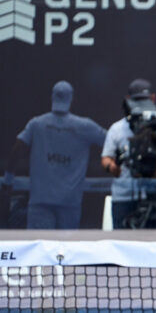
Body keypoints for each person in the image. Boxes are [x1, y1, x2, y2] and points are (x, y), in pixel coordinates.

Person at [2, 81, 106, 229]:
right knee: (66, 249)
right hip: (69, 202)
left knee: (40, 247)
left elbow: (18, 148)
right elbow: (111, 141)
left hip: (41, 201)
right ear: (72, 98)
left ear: (52, 97)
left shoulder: (37, 124)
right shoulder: (84, 126)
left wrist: (8, 179)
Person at [101, 79, 156, 228]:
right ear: (128, 101)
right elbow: (106, 157)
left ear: (153, 98)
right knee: (123, 245)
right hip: (124, 197)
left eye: (144, 100)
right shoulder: (116, 129)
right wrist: (112, 167)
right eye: (136, 100)